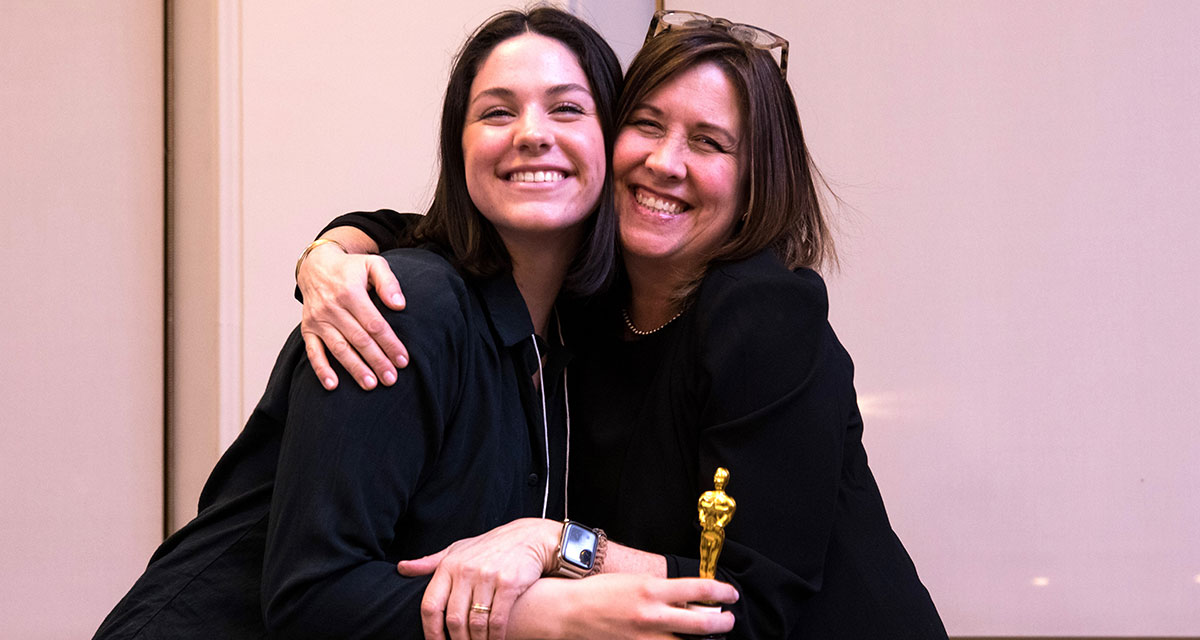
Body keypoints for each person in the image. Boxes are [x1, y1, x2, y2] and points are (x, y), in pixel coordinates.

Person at [296, 10, 947, 640]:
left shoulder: (764, 312)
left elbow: (747, 605)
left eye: (709, 142)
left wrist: (555, 543)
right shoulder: (585, 293)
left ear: (755, 186)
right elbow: (453, 229)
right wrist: (328, 255)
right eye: (646, 124)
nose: (665, 162)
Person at [93, 8, 737, 639]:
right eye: (496, 111)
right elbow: (310, 599)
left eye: (566, 108)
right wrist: (556, 615)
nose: (531, 134)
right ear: (460, 149)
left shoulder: (572, 340)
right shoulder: (405, 307)